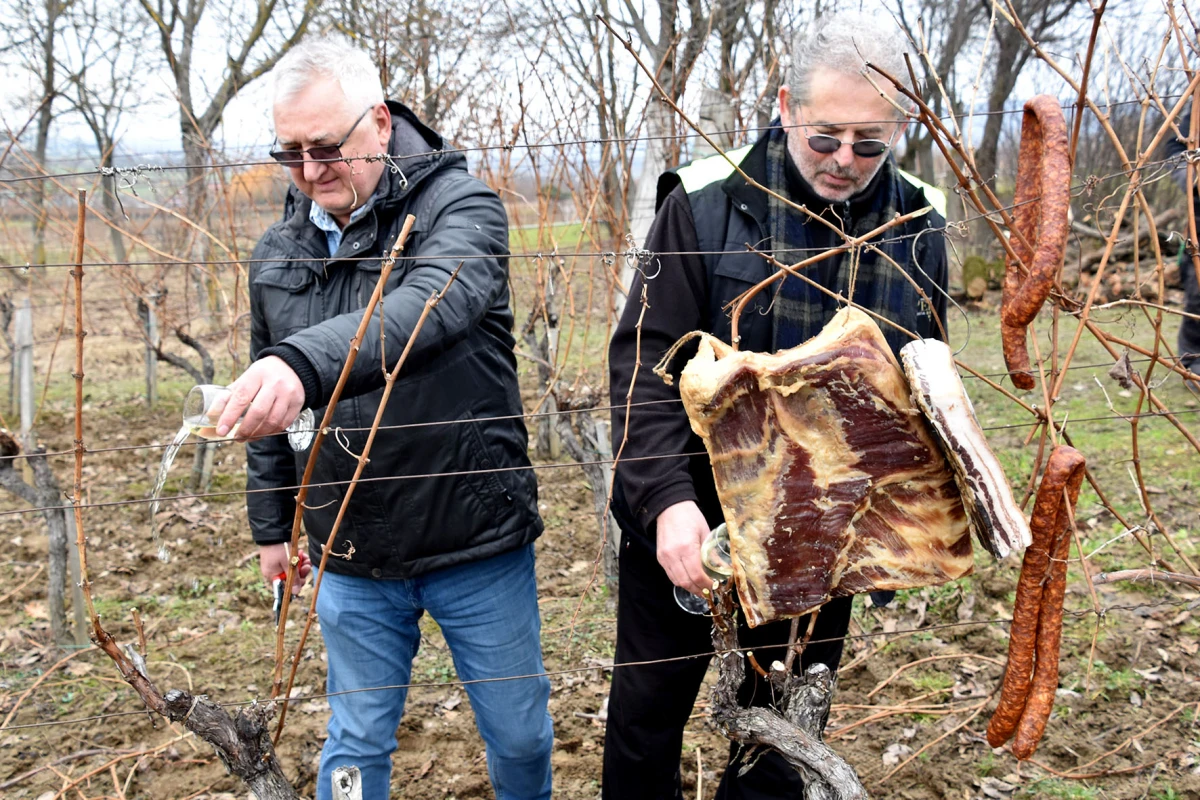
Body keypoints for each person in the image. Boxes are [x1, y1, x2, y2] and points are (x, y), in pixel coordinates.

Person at [604, 11, 949, 799]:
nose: (844, 160)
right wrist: (665, 504)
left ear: (900, 128)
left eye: (869, 143)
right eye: (824, 137)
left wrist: (906, 516)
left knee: (784, 728)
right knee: (648, 715)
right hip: (695, 520)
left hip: (828, 530)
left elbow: (922, 378)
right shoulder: (706, 203)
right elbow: (643, 367)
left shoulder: (918, 223)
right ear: (787, 106)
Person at [215, 35, 552, 800]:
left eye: (326, 148)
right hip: (350, 547)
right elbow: (272, 408)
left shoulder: (459, 208)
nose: (309, 171)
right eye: (291, 153)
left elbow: (429, 303)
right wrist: (272, 527)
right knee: (356, 740)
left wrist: (300, 363)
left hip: (474, 537)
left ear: (378, 123)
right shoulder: (278, 254)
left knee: (520, 735)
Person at [1163, 125, 1200, 392]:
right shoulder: (1197, 110)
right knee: (1198, 298)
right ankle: (1194, 365)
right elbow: (1175, 148)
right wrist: (1193, 177)